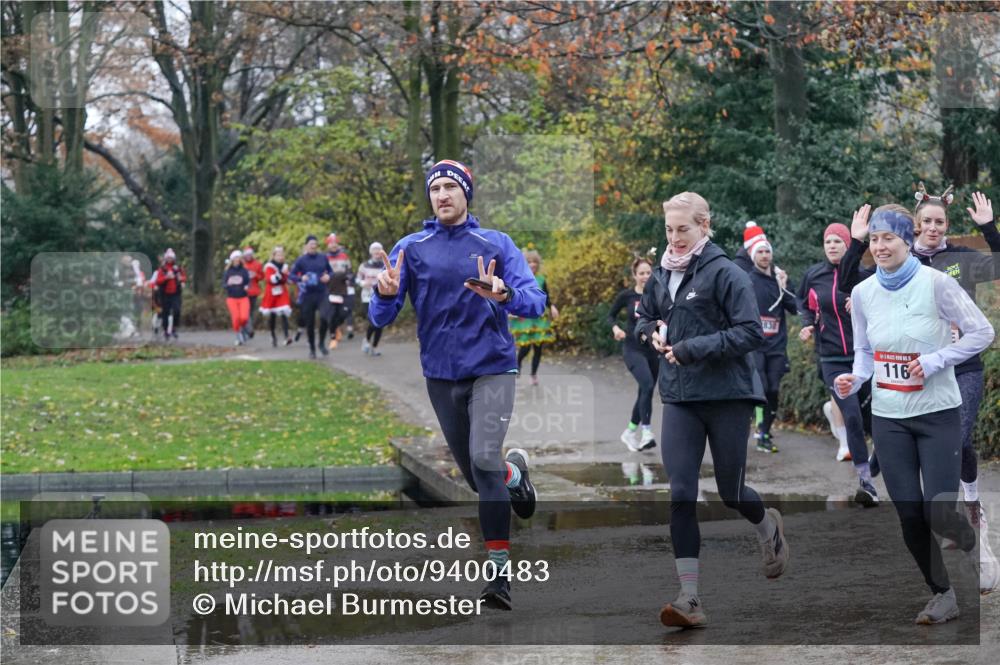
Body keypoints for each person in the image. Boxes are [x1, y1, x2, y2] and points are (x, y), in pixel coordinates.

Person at [369, 159, 544, 610]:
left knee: (484, 457)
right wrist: (385, 295)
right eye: (436, 188)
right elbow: (381, 317)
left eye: (451, 187)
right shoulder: (413, 247)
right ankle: (515, 475)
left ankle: (499, 578)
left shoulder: (496, 243)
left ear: (467, 193)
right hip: (441, 375)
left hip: (492, 367)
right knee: (477, 477)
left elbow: (535, 302)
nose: (443, 194)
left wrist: (504, 294)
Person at [635, 192, 788, 629]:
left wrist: (691, 348)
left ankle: (768, 529)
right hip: (681, 398)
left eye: (683, 229)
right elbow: (643, 319)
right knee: (681, 493)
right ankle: (690, 598)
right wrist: (653, 335)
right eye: (669, 229)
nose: (675, 238)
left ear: (704, 225)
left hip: (726, 396)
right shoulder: (661, 274)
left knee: (730, 492)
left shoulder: (727, 273)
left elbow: (750, 333)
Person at [834, 205, 995, 622]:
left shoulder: (937, 284)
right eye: (874, 240)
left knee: (938, 511)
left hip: (938, 413)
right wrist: (856, 379)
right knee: (908, 513)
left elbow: (982, 332)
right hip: (890, 418)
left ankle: (969, 538)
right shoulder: (865, 292)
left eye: (889, 238)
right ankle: (942, 593)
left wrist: (939, 359)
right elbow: (865, 353)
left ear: (908, 239)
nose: (880, 246)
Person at [796, 223, 878, 505]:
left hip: (863, 357)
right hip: (831, 358)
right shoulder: (813, 275)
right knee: (852, 416)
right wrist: (808, 325)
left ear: (848, 246)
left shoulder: (862, 276)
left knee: (874, 420)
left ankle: (874, 466)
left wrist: (861, 307)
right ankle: (866, 482)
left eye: (838, 242)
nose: (832, 246)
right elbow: (803, 303)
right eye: (828, 241)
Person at [743, 222, 797, 453]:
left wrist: (784, 287)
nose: (764, 255)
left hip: (776, 345)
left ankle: (764, 430)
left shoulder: (780, 278)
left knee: (774, 389)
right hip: (755, 345)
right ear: (753, 255)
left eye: (767, 251)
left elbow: (795, 307)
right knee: (762, 387)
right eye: (760, 252)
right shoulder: (746, 280)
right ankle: (755, 428)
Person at [607, 256, 659, 452]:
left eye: (648, 273)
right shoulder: (627, 296)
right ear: (634, 275)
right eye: (642, 273)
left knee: (646, 391)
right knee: (646, 385)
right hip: (632, 348)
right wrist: (615, 329)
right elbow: (610, 315)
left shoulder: (657, 294)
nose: (645, 276)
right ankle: (646, 432)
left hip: (653, 349)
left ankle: (629, 432)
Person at [508, 249, 558, 386]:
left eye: (535, 262)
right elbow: (514, 295)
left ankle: (534, 374)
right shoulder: (520, 277)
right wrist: (511, 310)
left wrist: (552, 306)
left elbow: (546, 296)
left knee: (538, 347)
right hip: (525, 318)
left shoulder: (542, 279)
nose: (533, 264)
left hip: (539, 318)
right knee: (525, 347)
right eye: (529, 262)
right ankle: (517, 365)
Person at [289, 235, 333, 359]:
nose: (313, 246)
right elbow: (291, 276)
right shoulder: (301, 260)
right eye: (311, 244)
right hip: (308, 294)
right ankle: (312, 349)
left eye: (315, 244)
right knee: (310, 322)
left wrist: (328, 277)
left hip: (321, 292)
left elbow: (330, 271)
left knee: (325, 317)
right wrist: (300, 278)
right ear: (306, 246)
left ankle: (321, 343)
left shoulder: (323, 258)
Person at [324, 233, 354, 350]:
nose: (333, 245)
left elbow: (350, 271)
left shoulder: (344, 256)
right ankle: (333, 338)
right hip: (330, 289)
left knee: (344, 313)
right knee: (331, 313)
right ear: (328, 245)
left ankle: (336, 327)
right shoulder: (324, 258)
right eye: (331, 243)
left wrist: (350, 280)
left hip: (342, 288)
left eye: (335, 242)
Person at [357, 241, 386, 356]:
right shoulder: (364, 265)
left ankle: (374, 347)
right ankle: (367, 340)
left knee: (380, 323)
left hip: (381, 297)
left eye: (379, 250)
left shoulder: (385, 265)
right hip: (367, 297)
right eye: (374, 250)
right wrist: (363, 283)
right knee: (373, 321)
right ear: (371, 252)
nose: (377, 252)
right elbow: (357, 279)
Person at [260, 246, 294, 347]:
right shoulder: (269, 266)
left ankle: (286, 336)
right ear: (273, 256)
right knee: (273, 315)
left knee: (284, 312)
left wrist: (288, 278)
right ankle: (273, 335)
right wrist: (279, 275)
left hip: (281, 292)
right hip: (271, 292)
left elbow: (287, 278)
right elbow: (270, 279)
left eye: (281, 255)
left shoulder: (285, 266)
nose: (280, 257)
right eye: (278, 255)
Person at [152, 248, 186, 340]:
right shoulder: (162, 269)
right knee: (165, 313)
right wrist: (166, 277)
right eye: (168, 258)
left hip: (176, 294)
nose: (170, 260)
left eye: (171, 258)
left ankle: (174, 328)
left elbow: (183, 277)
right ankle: (166, 330)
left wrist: (181, 280)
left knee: (177, 310)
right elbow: (158, 281)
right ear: (166, 259)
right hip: (165, 294)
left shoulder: (177, 268)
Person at [222, 250, 252, 346]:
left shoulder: (244, 271)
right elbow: (223, 284)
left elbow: (248, 282)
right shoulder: (228, 272)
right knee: (236, 319)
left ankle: (243, 331)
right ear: (232, 260)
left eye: (238, 258)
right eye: (235, 258)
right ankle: (238, 335)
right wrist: (228, 285)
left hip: (243, 297)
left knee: (244, 317)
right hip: (232, 298)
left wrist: (247, 286)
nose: (237, 260)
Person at [242, 247, 264, 339]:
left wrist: (256, 276)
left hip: (254, 291)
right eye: (246, 255)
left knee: (250, 312)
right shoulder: (241, 264)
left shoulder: (257, 264)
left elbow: (262, 276)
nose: (248, 256)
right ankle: (249, 330)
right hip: (243, 292)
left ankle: (247, 329)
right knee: (245, 311)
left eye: (250, 255)